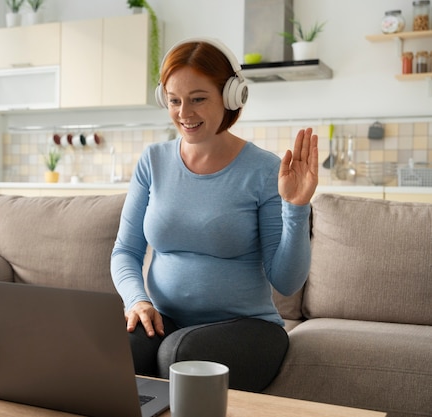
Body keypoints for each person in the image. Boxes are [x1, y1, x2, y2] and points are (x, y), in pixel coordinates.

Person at [110, 38, 319, 392]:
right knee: (113, 349)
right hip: (167, 321)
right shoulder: (153, 161)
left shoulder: (264, 170)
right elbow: (125, 253)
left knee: (179, 357)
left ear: (231, 96)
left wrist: (296, 207)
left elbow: (287, 282)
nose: (184, 114)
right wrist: (137, 300)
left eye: (198, 99)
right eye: (174, 101)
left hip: (248, 328)